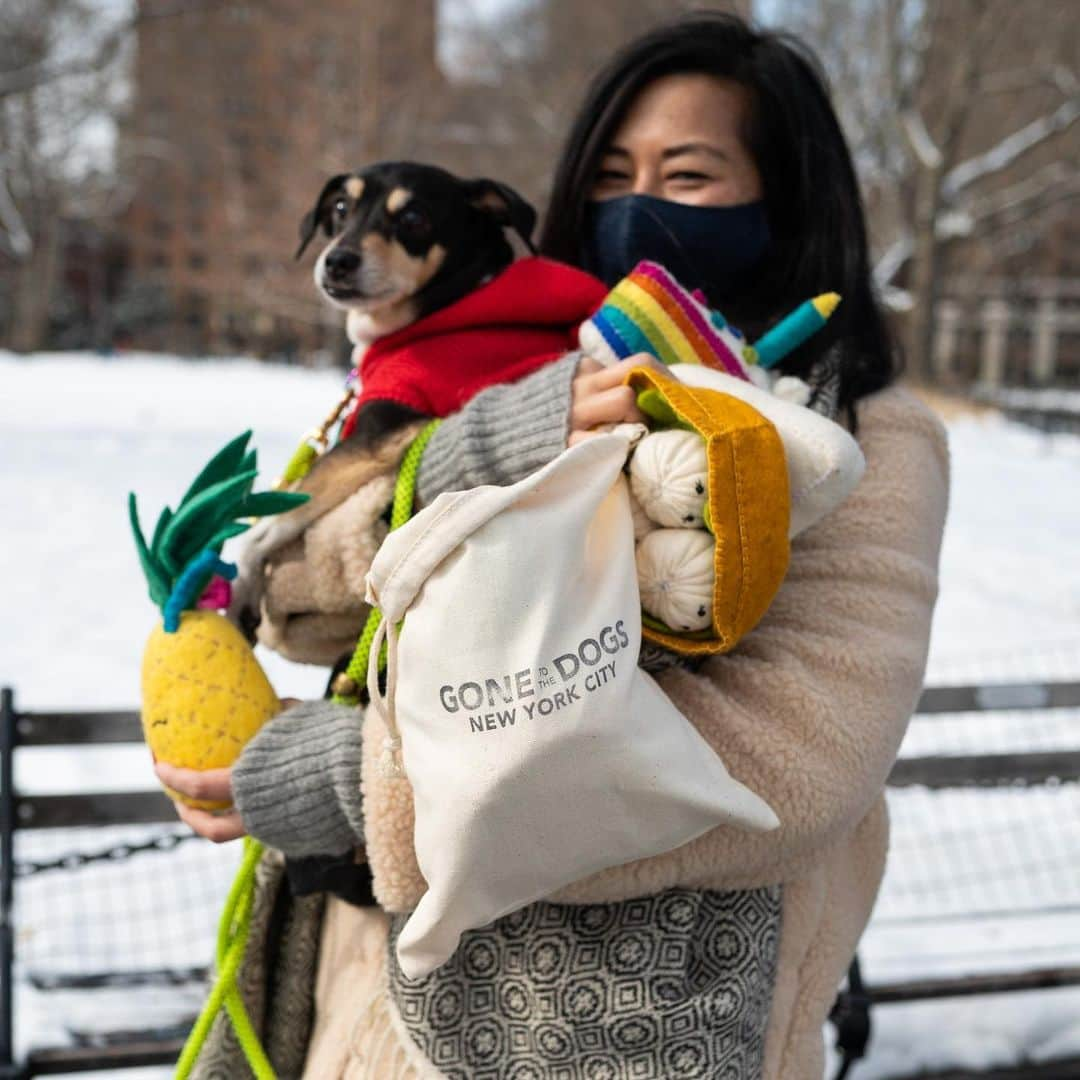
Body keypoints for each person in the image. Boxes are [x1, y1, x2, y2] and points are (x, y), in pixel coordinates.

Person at [156, 12, 949, 1078]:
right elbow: (302, 589)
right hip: (360, 1000)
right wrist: (492, 440)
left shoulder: (865, 432)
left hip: (632, 1031)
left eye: (689, 174)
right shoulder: (528, 372)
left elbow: (790, 764)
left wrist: (359, 775)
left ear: (784, 201)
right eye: (611, 173)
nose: (636, 206)